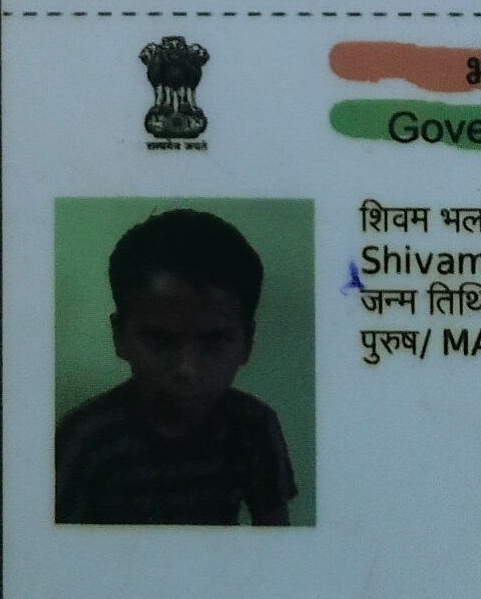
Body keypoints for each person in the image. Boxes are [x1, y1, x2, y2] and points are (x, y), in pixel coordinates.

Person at [54, 207, 298, 525]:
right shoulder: (87, 439)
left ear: (247, 342)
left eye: (214, 341)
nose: (186, 369)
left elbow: (276, 537)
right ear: (119, 337)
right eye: (158, 341)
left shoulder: (254, 428)